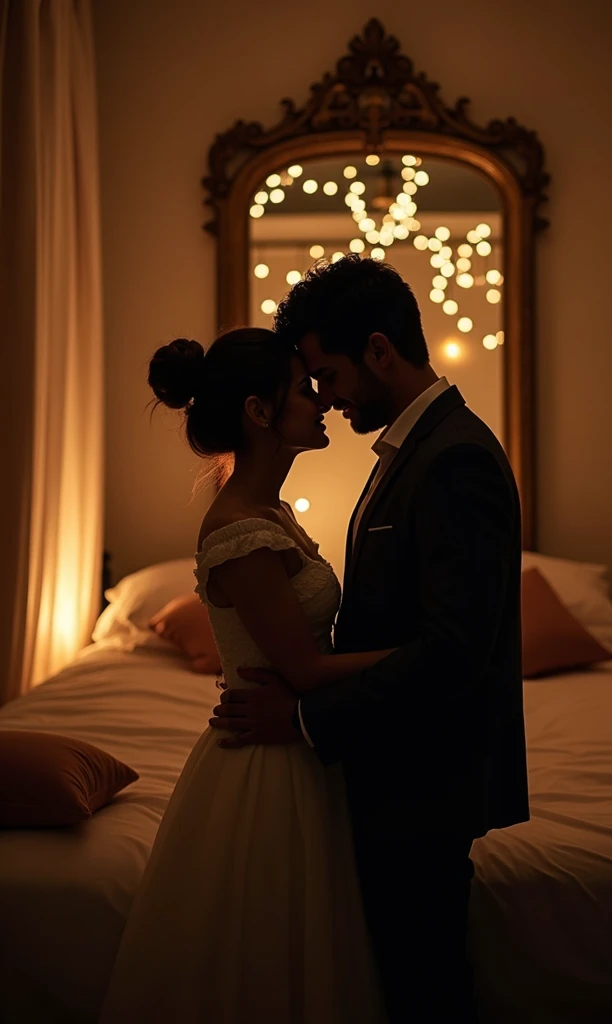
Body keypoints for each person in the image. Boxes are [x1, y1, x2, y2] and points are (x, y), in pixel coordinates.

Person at [211, 255, 529, 1023]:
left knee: (424, 988)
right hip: (390, 773)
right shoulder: (410, 454)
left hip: (424, 780)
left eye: (327, 374)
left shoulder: (454, 461)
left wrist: (305, 718)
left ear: (379, 352)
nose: (323, 396)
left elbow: (454, 652)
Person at [99, 327, 389, 1023]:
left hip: (301, 751)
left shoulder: (273, 513)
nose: (320, 399)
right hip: (266, 768)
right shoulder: (239, 532)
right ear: (260, 412)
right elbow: (307, 668)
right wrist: (432, 651)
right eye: (301, 389)